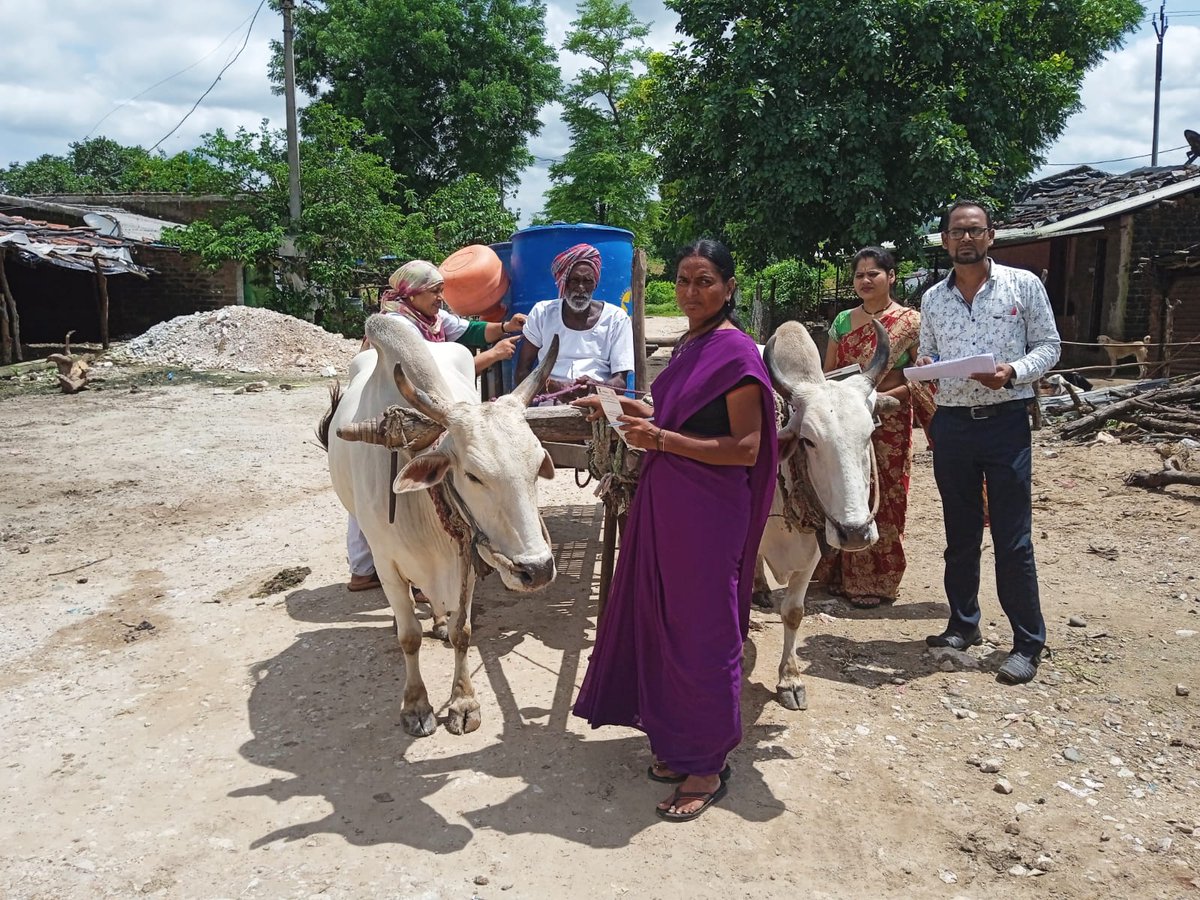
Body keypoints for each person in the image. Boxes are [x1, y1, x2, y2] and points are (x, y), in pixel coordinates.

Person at [571, 239, 778, 821]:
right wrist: (621, 408)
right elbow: (677, 416)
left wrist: (660, 440)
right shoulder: (692, 343)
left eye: (705, 280)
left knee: (703, 632)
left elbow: (744, 448)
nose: (691, 292)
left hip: (709, 512)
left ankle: (707, 763)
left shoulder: (737, 354)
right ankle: (677, 742)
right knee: (663, 620)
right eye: (684, 280)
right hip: (669, 502)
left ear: (729, 287)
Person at [916, 200, 1061, 685]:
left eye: (975, 231)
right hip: (953, 424)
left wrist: (1013, 371)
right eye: (957, 232)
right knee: (959, 533)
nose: (966, 239)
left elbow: (1050, 346)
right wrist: (931, 367)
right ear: (944, 240)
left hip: (1006, 423)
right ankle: (963, 625)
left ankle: (1027, 642)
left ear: (991, 236)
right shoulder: (933, 298)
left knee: (1012, 536)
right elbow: (927, 352)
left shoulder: (1024, 285)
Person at [347, 260, 527, 592]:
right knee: (373, 489)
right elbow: (429, 376)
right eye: (434, 291)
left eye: (442, 290)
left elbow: (469, 330)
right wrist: (493, 356)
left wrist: (504, 327)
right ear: (411, 294)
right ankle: (371, 568)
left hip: (431, 404)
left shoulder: (431, 318)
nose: (441, 298)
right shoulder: (397, 327)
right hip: (396, 409)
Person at [815, 246, 935, 608]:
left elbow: (921, 377)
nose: (865, 280)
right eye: (859, 275)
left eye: (873, 274)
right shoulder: (841, 322)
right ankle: (836, 573)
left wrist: (880, 397)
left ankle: (877, 580)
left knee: (888, 496)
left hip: (890, 422)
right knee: (846, 489)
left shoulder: (911, 322)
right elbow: (829, 376)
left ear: (892, 276)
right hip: (847, 425)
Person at [514, 243, 634, 402]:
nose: (581, 288)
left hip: (599, 401)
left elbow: (620, 382)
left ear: (595, 284)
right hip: (550, 400)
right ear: (564, 283)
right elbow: (522, 373)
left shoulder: (616, 318)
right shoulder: (542, 313)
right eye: (574, 281)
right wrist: (558, 388)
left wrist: (595, 387)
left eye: (588, 281)